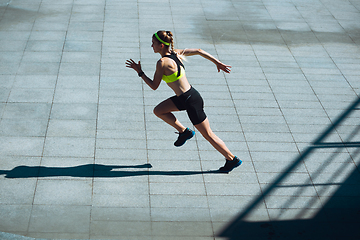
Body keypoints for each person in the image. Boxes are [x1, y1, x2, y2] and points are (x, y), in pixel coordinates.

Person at [126, 30, 242, 173]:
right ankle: (184, 131)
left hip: (190, 101)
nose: (152, 46)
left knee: (208, 135)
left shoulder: (162, 63)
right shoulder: (175, 53)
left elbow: (154, 86)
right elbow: (199, 51)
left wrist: (140, 72)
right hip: (187, 97)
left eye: (153, 43)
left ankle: (232, 159)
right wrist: (217, 62)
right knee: (158, 110)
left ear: (161, 46)